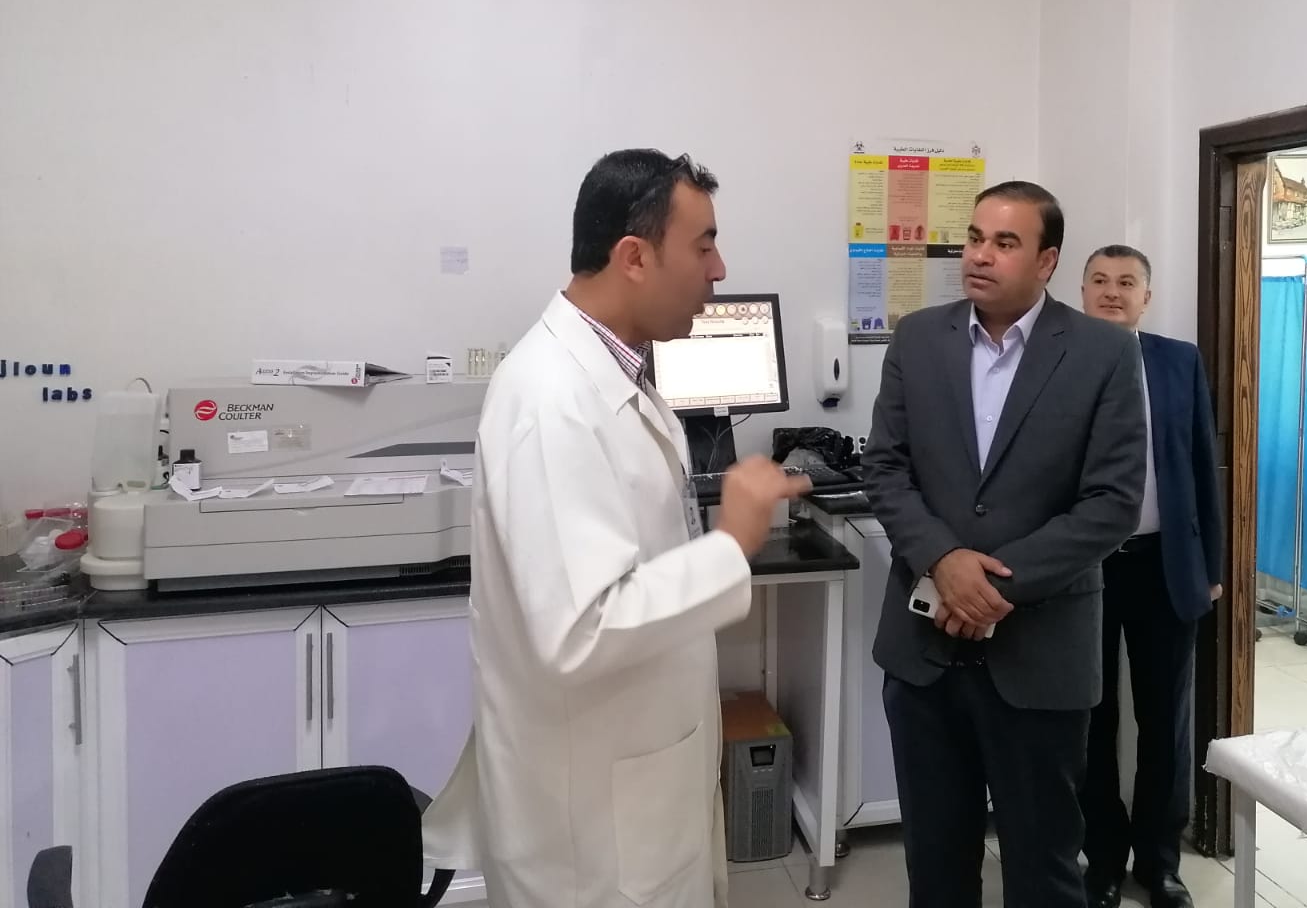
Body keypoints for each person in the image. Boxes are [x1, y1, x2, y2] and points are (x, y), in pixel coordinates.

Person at [421, 149, 811, 908]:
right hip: (590, 835)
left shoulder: (622, 376)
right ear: (634, 257)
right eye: (703, 246)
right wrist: (730, 544)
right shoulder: (550, 400)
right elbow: (581, 628)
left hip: (639, 779)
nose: (720, 269)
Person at [863, 181, 1147, 908]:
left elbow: (1112, 504)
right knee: (935, 865)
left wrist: (989, 585)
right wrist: (943, 560)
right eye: (974, 239)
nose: (980, 256)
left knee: (1044, 868)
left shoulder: (1105, 353)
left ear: (1047, 261)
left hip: (1040, 654)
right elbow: (885, 468)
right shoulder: (918, 338)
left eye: (1005, 243)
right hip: (924, 657)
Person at [1077, 245, 1223, 908]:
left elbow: (1201, 464)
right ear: (1082, 292)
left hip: (1166, 565)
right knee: (1092, 720)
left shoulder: (1177, 361)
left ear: (1146, 296)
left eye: (1126, 282)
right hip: (1085, 568)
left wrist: (1210, 566)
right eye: (1100, 281)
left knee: (1166, 722)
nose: (1113, 292)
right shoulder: (1056, 361)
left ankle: (1160, 862)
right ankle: (1102, 859)